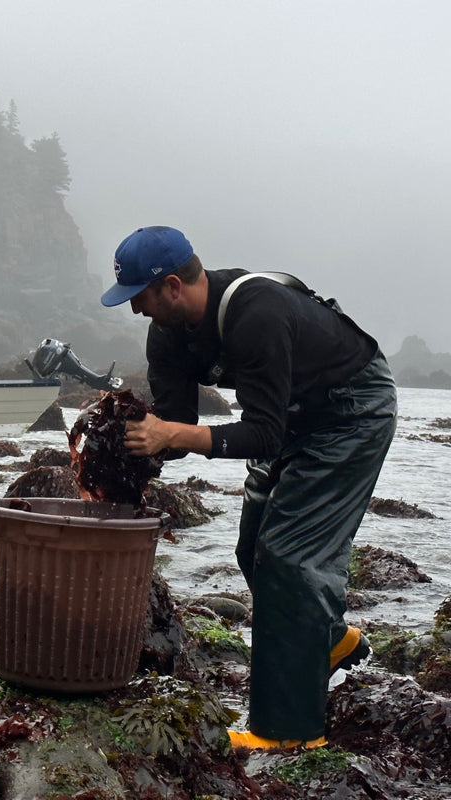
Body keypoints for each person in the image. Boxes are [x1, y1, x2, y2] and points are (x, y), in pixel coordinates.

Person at [101, 225, 397, 750]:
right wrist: (123, 438)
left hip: (352, 412)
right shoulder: (166, 333)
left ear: (172, 285)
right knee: (251, 545)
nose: (134, 310)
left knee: (290, 555)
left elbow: (260, 434)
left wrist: (176, 434)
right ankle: (328, 641)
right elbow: (175, 423)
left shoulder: (255, 313)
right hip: (291, 415)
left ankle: (288, 732)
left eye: (138, 297)